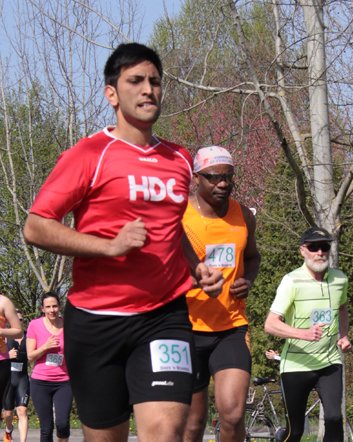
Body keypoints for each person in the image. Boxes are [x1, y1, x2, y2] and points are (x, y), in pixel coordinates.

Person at [22, 42, 223, 442]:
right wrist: (108, 246)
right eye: (136, 81)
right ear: (111, 94)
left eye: (155, 81)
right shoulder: (89, 154)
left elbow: (169, 227)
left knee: (167, 430)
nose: (148, 89)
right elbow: (36, 226)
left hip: (164, 316)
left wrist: (195, 265)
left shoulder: (179, 159)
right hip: (97, 321)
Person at [181, 146, 261, 442]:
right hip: (186, 328)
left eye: (228, 177)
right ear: (196, 178)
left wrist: (248, 279)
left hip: (231, 327)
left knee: (233, 414)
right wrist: (191, 281)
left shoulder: (244, 215)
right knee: (193, 423)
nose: (223, 183)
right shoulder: (180, 215)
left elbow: (252, 257)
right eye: (214, 177)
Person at [264, 226, 352, 442]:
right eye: (313, 247)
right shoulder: (291, 281)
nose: (320, 252)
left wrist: (343, 335)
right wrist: (303, 334)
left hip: (329, 362)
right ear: (302, 250)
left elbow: (342, 308)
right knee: (295, 431)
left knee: (334, 419)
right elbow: (271, 324)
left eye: (324, 247)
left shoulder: (340, 279)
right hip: (296, 365)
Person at [26, 293, 72, 442]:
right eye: (48, 307)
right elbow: (30, 356)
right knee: (46, 428)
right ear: (42, 309)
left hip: (64, 382)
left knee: (62, 424)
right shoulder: (34, 325)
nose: (52, 310)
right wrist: (45, 347)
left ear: (60, 306)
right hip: (40, 382)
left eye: (55, 306)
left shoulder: (68, 325)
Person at [3, 309, 30, 442]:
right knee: (8, 414)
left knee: (22, 411)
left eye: (20, 320)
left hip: (22, 378)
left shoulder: (29, 337)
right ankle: (9, 429)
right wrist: (7, 355)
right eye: (15, 320)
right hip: (8, 379)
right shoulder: (4, 336)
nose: (18, 322)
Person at [0, 297, 23, 442]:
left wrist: (1, 331)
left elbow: (19, 331)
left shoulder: (3, 302)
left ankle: (8, 431)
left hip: (1, 361)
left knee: (7, 411)